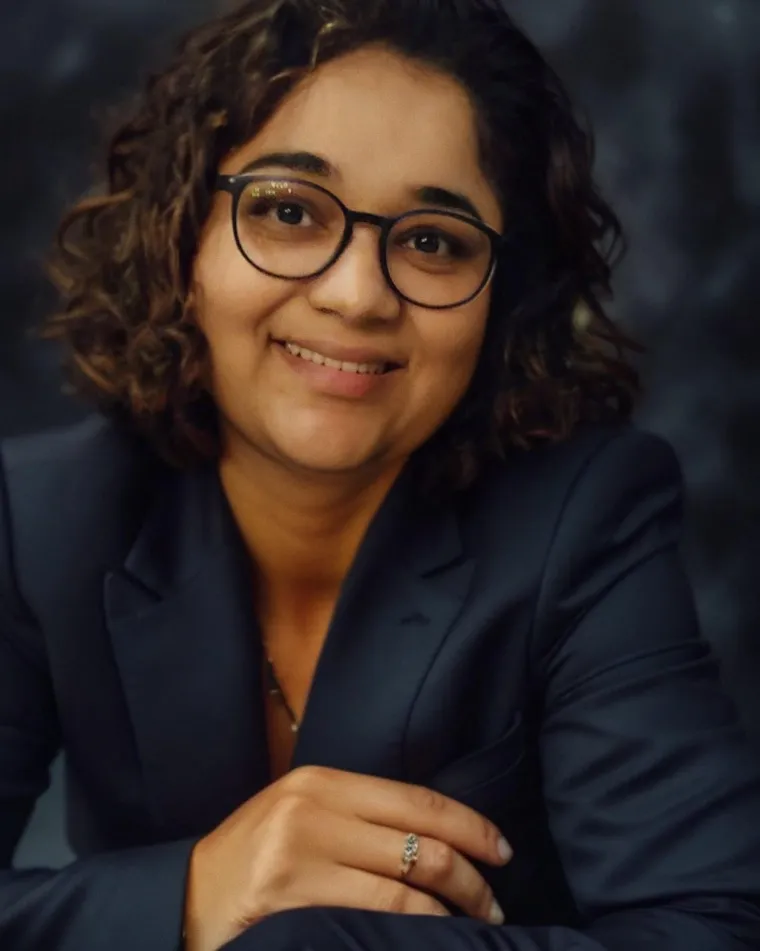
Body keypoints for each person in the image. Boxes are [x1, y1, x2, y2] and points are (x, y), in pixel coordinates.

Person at [1, 0, 759, 948]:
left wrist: (310, 940)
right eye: (287, 211)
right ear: (181, 240)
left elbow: (710, 931)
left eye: (434, 241)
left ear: (502, 298)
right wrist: (192, 895)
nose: (357, 295)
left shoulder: (589, 512)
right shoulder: (41, 520)